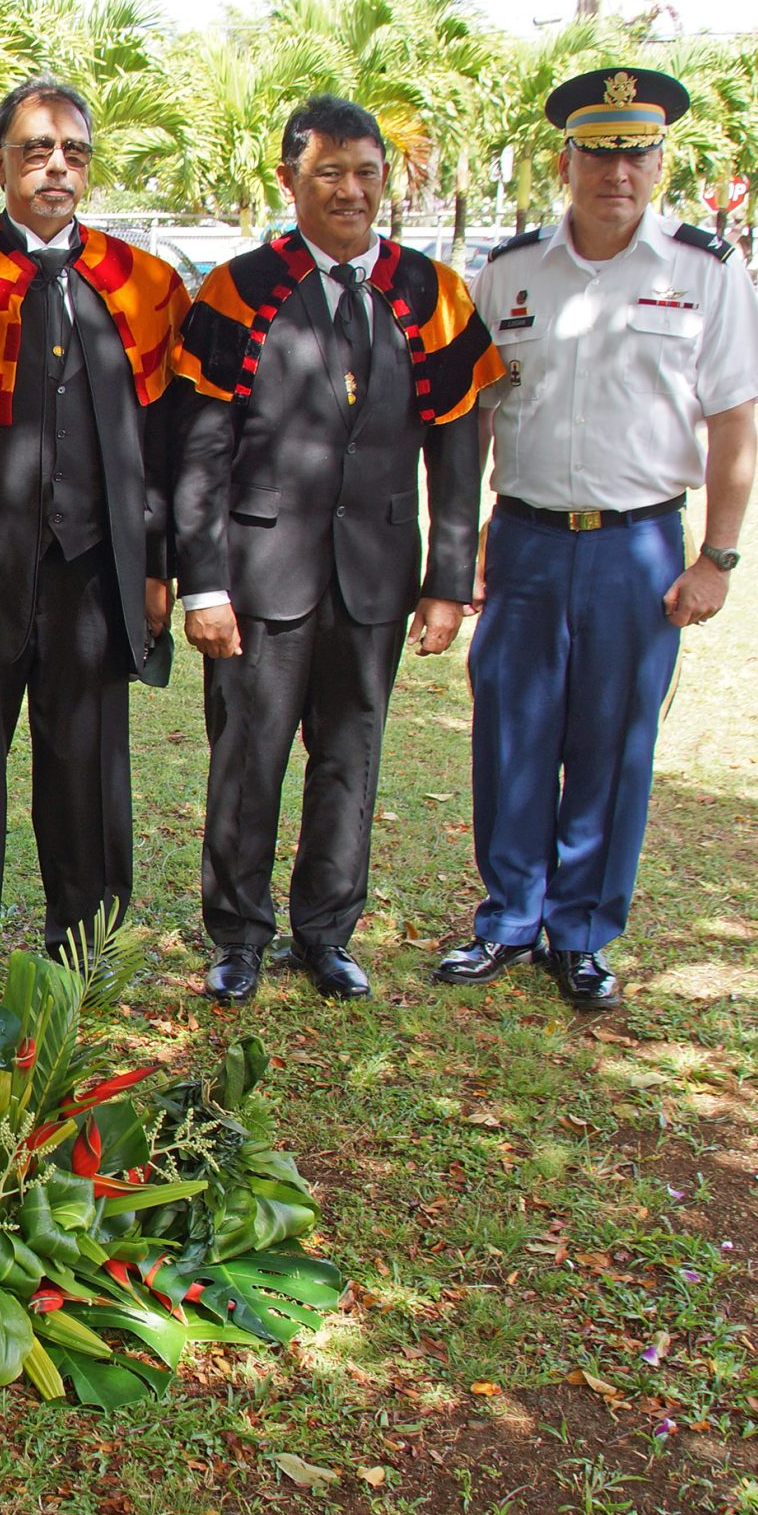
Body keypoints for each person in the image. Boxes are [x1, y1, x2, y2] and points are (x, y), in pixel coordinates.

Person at [440, 66, 758, 1009]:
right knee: (512, 729)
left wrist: (715, 557)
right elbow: (475, 419)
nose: (617, 172)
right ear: (566, 162)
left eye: (636, 152)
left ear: (659, 163)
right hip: (525, 538)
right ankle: (510, 916)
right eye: (599, 152)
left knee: (612, 737)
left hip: (638, 545)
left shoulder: (705, 272)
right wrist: (459, 543)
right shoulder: (510, 273)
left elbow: (734, 427)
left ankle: (583, 930)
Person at [173, 95, 498, 1005]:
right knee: (249, 760)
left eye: (366, 172)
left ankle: (326, 932)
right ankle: (237, 935)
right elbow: (199, 449)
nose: (350, 192)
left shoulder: (435, 293)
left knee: (351, 757)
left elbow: (458, 447)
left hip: (379, 572)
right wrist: (202, 582)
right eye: (328, 174)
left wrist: (448, 581)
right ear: (289, 182)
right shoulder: (237, 289)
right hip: (259, 575)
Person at [0, 78, 189, 986]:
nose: (57, 166)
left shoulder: (144, 286)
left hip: (95, 573)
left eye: (74, 152)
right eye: (36, 149)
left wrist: (158, 565)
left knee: (89, 773)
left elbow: (163, 443)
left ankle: (83, 950)